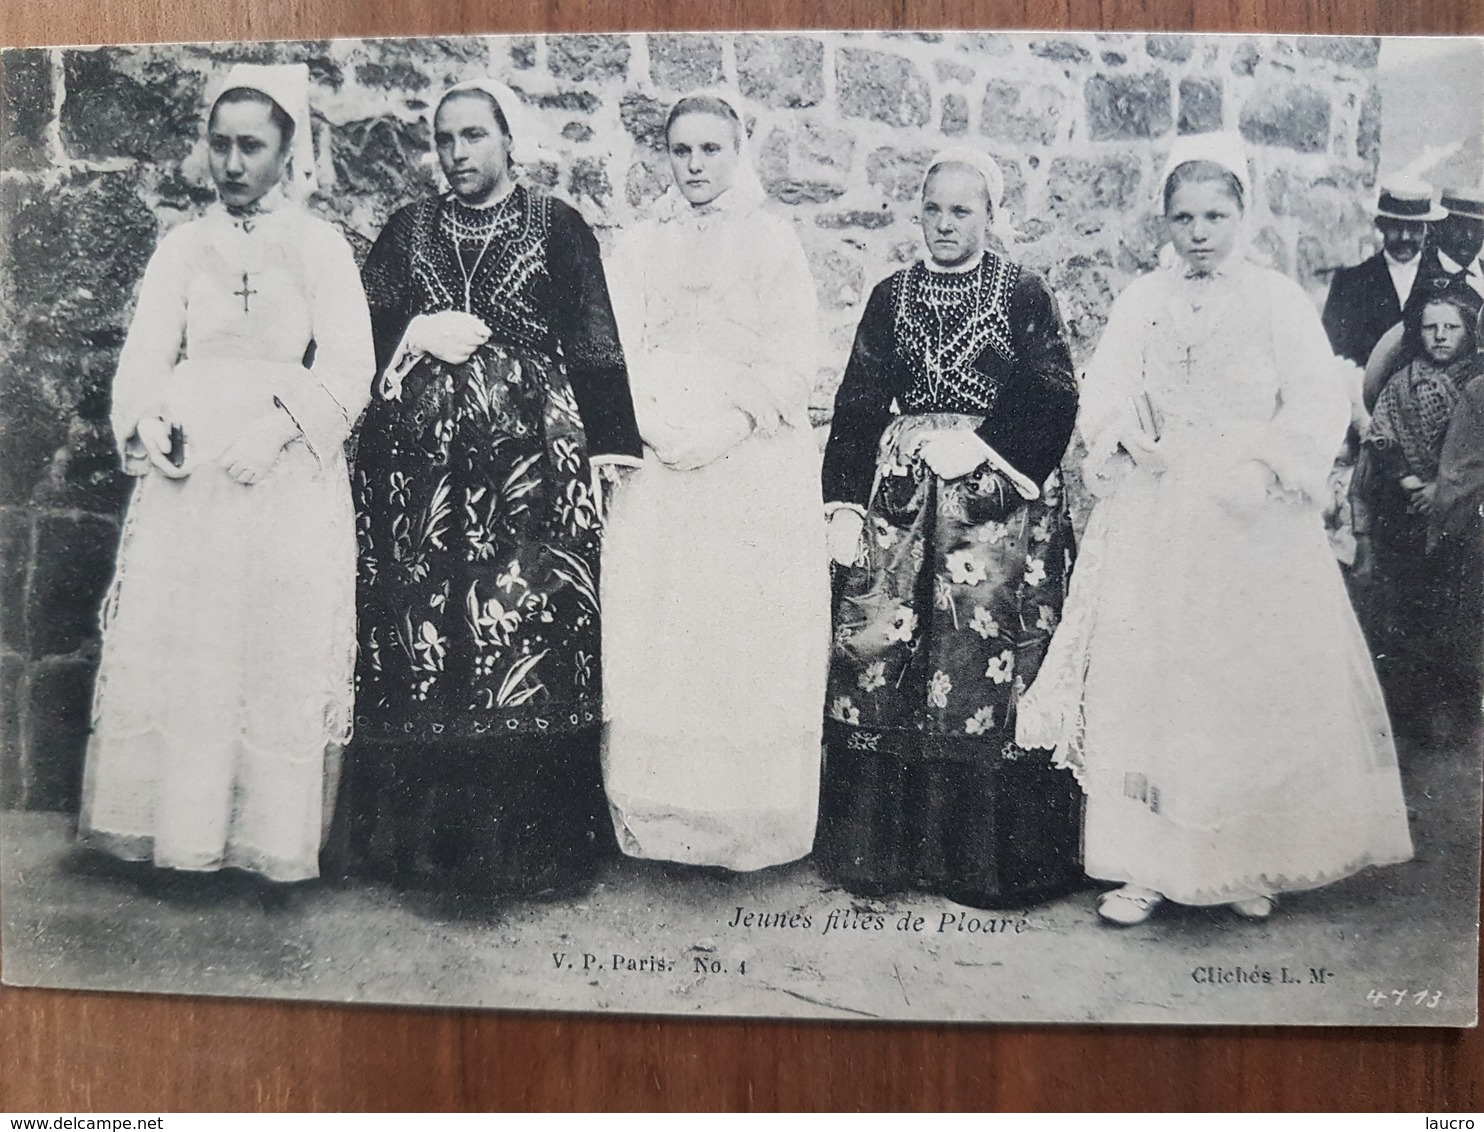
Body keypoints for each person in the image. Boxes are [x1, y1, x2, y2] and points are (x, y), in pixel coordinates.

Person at [1016, 133, 1414, 927]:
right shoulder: (1143, 301)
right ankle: (1145, 864)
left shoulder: (1274, 300)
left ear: (1242, 215)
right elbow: (1107, 389)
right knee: (1153, 681)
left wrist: (1267, 467)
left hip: (1249, 516)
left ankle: (1243, 860)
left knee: (1238, 683)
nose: (1198, 232)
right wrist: (1127, 437)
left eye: (1215, 215)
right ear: (1164, 222)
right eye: (1183, 217)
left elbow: (1314, 399)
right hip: (1161, 511)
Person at [332, 79, 643, 899]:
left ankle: (531, 854)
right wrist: (411, 334)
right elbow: (357, 338)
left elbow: (595, 340)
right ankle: (426, 852)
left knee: (525, 631)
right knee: (428, 633)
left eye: (474, 135)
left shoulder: (559, 226)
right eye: (445, 139)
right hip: (420, 480)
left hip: (530, 475)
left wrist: (609, 453)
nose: (458, 153)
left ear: (511, 139)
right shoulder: (406, 231)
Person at [80, 63, 375, 883]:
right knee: (191, 642)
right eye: (221, 145)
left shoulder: (318, 246)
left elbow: (352, 367)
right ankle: (178, 832)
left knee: (267, 642)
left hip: (278, 481)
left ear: (288, 152)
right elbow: (145, 358)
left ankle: (268, 839)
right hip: (192, 482)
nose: (234, 164)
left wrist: (281, 429)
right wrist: (149, 419)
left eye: (253, 147)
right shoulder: (184, 247)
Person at [816, 146, 1083, 909]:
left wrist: (985, 445)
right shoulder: (890, 295)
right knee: (884, 649)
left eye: (961, 210)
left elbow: (1055, 391)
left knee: (982, 652)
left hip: (995, 507)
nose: (943, 224)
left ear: (990, 217)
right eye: (932, 208)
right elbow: (859, 399)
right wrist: (842, 501)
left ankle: (985, 861)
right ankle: (883, 855)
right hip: (903, 504)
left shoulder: (1023, 292)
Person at [599, 94, 830, 871]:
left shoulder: (770, 242)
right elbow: (615, 344)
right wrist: (658, 426)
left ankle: (744, 820)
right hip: (664, 455)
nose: (694, 166)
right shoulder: (638, 246)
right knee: (665, 628)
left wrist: (728, 426)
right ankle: (665, 816)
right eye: (680, 151)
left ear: (737, 154)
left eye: (710, 150)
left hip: (746, 457)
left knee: (736, 631)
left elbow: (796, 354)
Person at [1351, 281, 1483, 735]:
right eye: (1430, 328)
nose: (1441, 336)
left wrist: (1445, 490)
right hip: (1403, 515)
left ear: (1469, 331)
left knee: (1456, 617)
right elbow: (1378, 445)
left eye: (1452, 327)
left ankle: (1456, 715)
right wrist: (1408, 482)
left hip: (1463, 522)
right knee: (1404, 615)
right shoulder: (1398, 385)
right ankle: (1409, 716)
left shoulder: (1477, 385)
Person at [1322, 181, 1441, 369]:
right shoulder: (1350, 283)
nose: (1405, 237)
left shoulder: (1445, 279)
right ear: (1381, 225)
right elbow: (1334, 352)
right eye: (1396, 226)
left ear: (1427, 229)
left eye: (1414, 228)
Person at [1417, 187, 1484, 301]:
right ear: (1440, 226)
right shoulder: (1417, 271)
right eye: (1459, 226)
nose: (1469, 235)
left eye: (1477, 228)